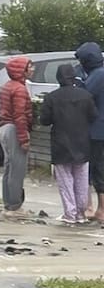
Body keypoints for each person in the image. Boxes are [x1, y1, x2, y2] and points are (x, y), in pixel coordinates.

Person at [39, 62, 96, 223]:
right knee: (82, 179)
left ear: (58, 78)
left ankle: (69, 213)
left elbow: (44, 120)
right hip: (82, 142)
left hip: (61, 143)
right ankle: (81, 213)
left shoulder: (52, 97)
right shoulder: (85, 95)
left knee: (65, 180)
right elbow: (93, 115)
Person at [0, 55, 34, 213]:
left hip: (4, 128)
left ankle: (8, 202)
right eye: (29, 66)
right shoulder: (19, 89)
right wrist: (24, 138)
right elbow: (20, 115)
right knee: (17, 170)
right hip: (14, 129)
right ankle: (15, 205)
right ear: (21, 70)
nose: (32, 69)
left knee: (9, 167)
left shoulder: (7, 86)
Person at [75, 42, 104, 221]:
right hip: (98, 128)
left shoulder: (99, 74)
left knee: (96, 167)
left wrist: (77, 81)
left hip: (97, 130)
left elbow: (84, 94)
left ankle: (99, 209)